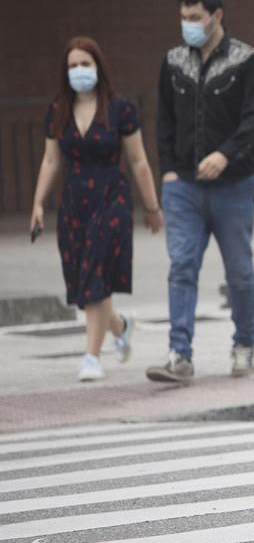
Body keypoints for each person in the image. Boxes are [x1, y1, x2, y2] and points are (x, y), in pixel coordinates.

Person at [146, 0, 254, 383]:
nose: (188, 25)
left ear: (217, 16)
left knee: (239, 272)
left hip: (235, 184)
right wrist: (166, 169)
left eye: (194, 17)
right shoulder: (173, 61)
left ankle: (245, 346)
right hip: (182, 185)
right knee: (181, 266)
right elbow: (164, 120)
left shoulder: (246, 59)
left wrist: (224, 153)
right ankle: (179, 354)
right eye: (183, 18)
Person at [30, 37, 164, 381]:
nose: (79, 71)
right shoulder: (58, 111)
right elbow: (50, 159)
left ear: (98, 67)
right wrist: (38, 204)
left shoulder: (121, 109)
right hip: (73, 202)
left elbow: (138, 160)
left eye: (85, 64)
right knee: (84, 280)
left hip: (110, 197)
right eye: (72, 66)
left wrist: (152, 206)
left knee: (94, 272)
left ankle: (91, 356)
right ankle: (120, 325)